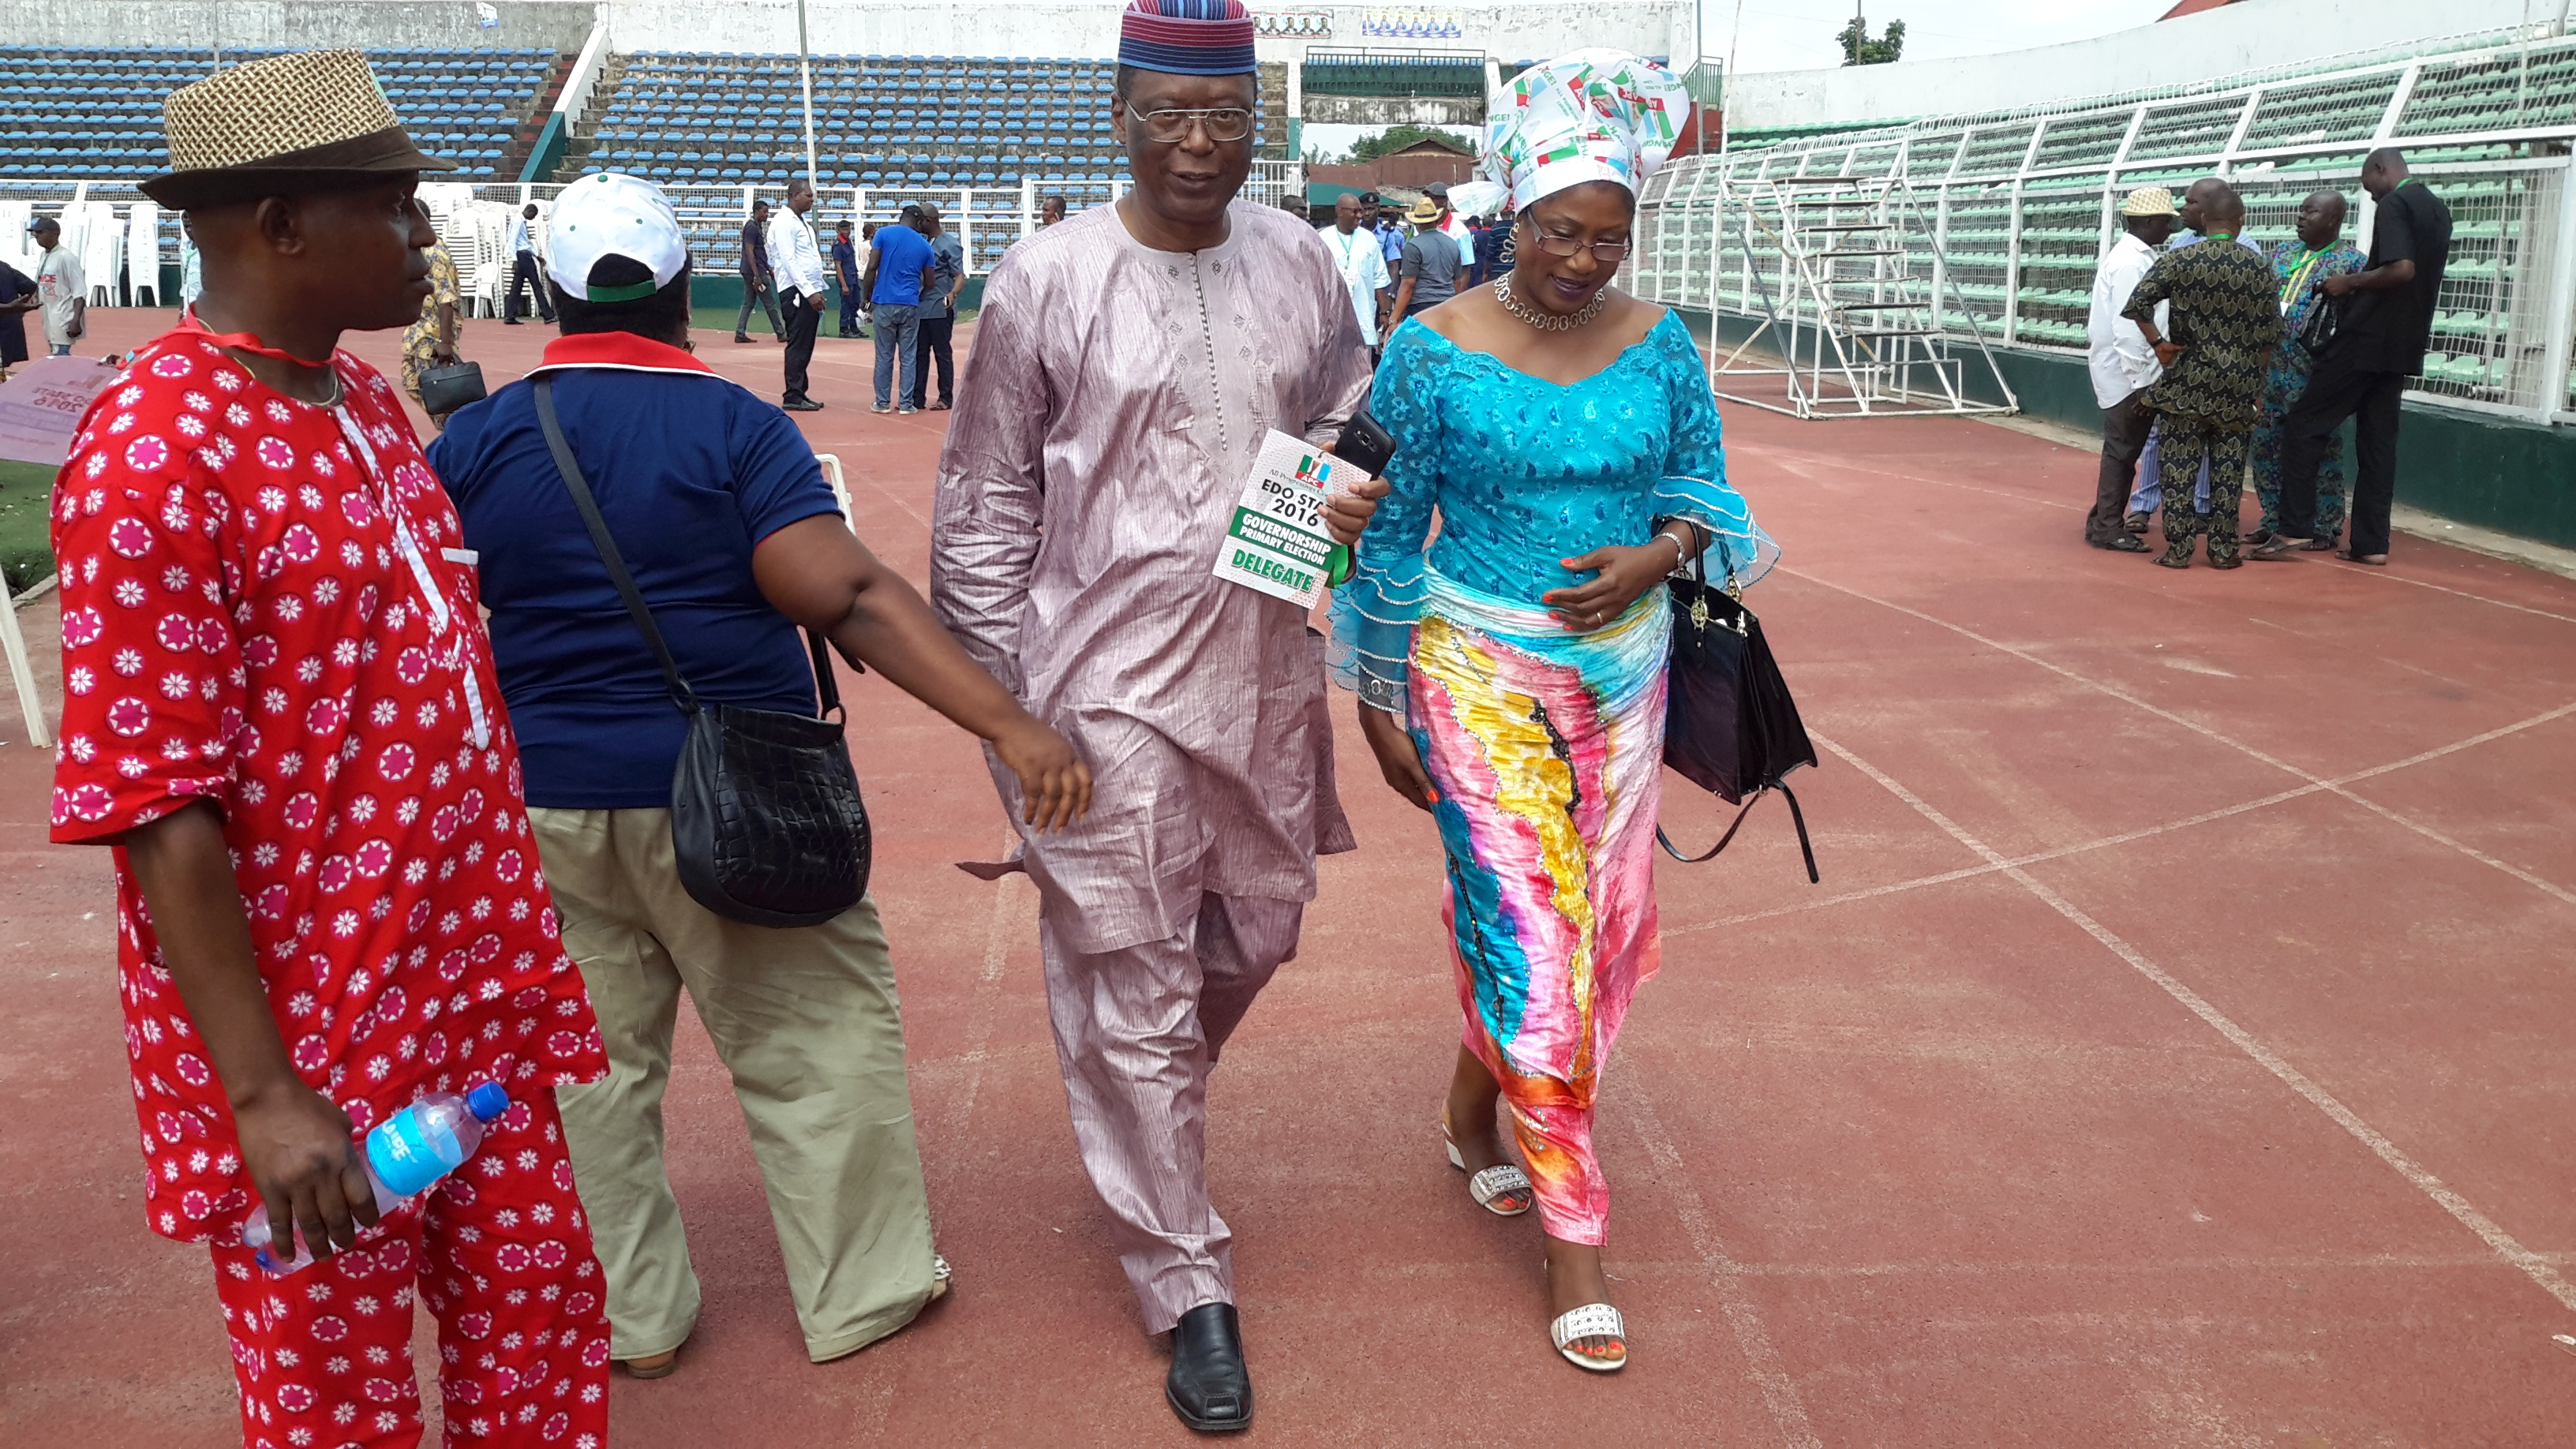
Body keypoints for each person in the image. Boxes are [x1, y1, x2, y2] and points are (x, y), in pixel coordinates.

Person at [428, 170, 1091, 1381]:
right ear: (685, 288)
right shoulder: (736, 430)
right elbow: (839, 593)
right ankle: (864, 1293)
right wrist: (1009, 723)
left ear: (554, 296)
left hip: (541, 809)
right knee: (815, 1045)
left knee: (584, 1079)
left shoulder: (473, 440)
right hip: (736, 799)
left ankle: (630, 1318)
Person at [49, 49, 611, 1444]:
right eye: (401, 206)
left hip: (469, 990)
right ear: (281, 225)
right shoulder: (153, 450)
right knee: (338, 1396)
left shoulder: (364, 405)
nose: (429, 238)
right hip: (313, 1034)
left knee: (541, 1317)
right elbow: (155, 804)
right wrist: (262, 1094)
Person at [928, 0, 1385, 1429]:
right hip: (1097, 691)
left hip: (1257, 668)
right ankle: (1187, 1279)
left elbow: (1343, 402)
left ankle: (1143, 1110)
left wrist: (1333, 474)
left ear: (1258, 121)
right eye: (1170, 116)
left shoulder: (1301, 260)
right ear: (1118, 113)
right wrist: (1015, 721)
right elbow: (984, 506)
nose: (1198, 146)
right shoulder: (1043, 278)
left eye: (1226, 118)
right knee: (1132, 981)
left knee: (1257, 929)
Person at [1336, 47, 1765, 1376]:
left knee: (1600, 934)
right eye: (1559, 233)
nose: (1581, 261)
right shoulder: (1428, 351)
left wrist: (1656, 555)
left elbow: (1706, 488)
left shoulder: (1660, 343)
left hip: (1624, 682)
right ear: (1508, 218)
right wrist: (1372, 690)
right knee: (1532, 940)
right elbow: (1382, 532)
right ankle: (1575, 1237)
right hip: (1473, 675)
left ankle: (1473, 1107)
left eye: (1606, 238)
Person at [2252, 148, 2453, 566]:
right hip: (2404, 343)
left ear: (2381, 170)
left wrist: (2350, 282)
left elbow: (2401, 269)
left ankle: (2293, 530)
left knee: (2303, 424)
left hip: (2366, 340)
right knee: (2378, 445)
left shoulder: (2396, 202)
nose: (2372, 197)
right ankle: (2371, 544)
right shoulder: (2436, 207)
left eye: (2369, 186)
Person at [2121, 185, 2282, 569]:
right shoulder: (2259, 265)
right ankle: (2224, 552)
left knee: (2178, 467)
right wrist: (2256, 388)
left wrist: (2159, 342)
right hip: (2238, 386)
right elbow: (2270, 336)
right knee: (2227, 472)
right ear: (2241, 221)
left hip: (2188, 383)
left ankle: (2178, 551)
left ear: (2205, 220)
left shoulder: (2182, 257)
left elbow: (2138, 303)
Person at [2245, 189, 2364, 549]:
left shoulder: (2353, 264)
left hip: (2315, 371)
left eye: (2310, 213)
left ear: (2333, 220)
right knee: (2265, 444)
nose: (2300, 218)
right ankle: (2274, 518)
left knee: (2320, 449)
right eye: (2301, 211)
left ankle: (2324, 526)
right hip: (2271, 367)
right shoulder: (2280, 256)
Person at [2083, 186, 2176, 553]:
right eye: (2166, 222)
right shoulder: (2130, 263)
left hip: (2124, 371)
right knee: (2122, 452)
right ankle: (2108, 525)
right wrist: (2143, 384)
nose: (2170, 229)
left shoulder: (2133, 257)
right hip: (2128, 374)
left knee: (2121, 451)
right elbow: (2129, 327)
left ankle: (2102, 520)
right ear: (2149, 221)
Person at [861, 197, 934, 414]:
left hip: (884, 301)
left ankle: (882, 402)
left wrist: (866, 297)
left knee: (884, 354)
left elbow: (872, 267)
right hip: (910, 303)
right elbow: (930, 282)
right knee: (909, 356)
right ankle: (906, 404)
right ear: (919, 222)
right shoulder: (924, 245)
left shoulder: (883, 234)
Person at [769, 177, 829, 412]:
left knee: (806, 342)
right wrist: (808, 292)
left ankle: (800, 391)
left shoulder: (800, 221)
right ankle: (793, 394)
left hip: (808, 289)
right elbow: (789, 260)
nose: (812, 199)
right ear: (795, 195)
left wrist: (817, 289)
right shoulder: (785, 222)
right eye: (808, 195)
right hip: (796, 291)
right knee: (798, 343)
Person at [1319, 189, 1391, 356]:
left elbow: (1379, 279)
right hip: (1332, 317)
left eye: (1361, 210)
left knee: (1362, 368)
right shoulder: (1323, 238)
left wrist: (1385, 312)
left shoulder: (1368, 239)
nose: (1361, 215)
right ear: (1340, 212)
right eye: (1356, 211)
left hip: (1362, 315)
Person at [909, 201, 966, 410]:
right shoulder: (923, 242)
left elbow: (959, 276)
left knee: (942, 353)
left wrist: (952, 293)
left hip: (939, 307)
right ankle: (917, 398)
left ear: (929, 221)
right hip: (921, 307)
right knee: (919, 354)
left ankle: (945, 397)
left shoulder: (949, 244)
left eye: (919, 220)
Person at [399, 237, 461, 424]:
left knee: (437, 390)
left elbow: (446, 299)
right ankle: (451, 427)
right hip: (417, 331)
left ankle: (452, 432)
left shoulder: (433, 253)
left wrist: (446, 341)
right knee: (411, 381)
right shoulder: (418, 251)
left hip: (432, 333)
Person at [1391, 194, 1461, 318]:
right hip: (1447, 303)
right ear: (1436, 220)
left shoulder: (1413, 245)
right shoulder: (1452, 244)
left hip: (1421, 304)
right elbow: (1458, 281)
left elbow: (1408, 283)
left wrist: (1394, 317)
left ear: (1417, 223)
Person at [735, 197, 786, 343]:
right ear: (756, 211)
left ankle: (740, 332)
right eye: (764, 212)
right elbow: (750, 251)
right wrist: (757, 275)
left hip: (753, 270)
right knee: (769, 302)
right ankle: (781, 332)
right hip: (755, 272)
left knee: (749, 303)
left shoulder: (756, 226)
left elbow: (758, 252)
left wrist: (768, 268)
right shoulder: (752, 227)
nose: (766, 215)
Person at [29, 216, 82, 355]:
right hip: (48, 313)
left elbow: (80, 292)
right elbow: (41, 279)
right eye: (35, 233)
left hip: (63, 315)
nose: (37, 236)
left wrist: (76, 320)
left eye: (41, 232)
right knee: (55, 351)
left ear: (54, 233)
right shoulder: (44, 256)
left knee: (61, 355)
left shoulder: (67, 257)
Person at [502, 200, 554, 324]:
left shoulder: (519, 221)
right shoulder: (518, 221)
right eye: (533, 216)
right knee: (536, 285)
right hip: (523, 257)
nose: (532, 218)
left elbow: (524, 241)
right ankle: (548, 315)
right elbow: (512, 241)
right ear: (529, 211)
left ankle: (510, 315)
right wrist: (514, 259)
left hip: (524, 255)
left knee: (516, 287)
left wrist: (537, 255)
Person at [0, 256, 36, 379]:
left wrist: (12, 307)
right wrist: (18, 308)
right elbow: (31, 286)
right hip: (10, 323)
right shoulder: (4, 267)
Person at [831, 216, 863, 336]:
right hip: (846, 278)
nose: (847, 231)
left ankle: (854, 327)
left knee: (855, 303)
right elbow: (838, 266)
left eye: (848, 229)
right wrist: (844, 284)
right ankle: (844, 328)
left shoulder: (848, 242)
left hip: (853, 277)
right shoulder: (838, 245)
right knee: (846, 305)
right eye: (844, 229)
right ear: (838, 230)